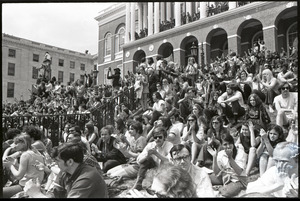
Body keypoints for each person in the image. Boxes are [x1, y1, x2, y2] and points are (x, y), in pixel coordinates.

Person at [24, 141, 108, 198]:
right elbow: (54, 194)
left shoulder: (88, 177)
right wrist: (40, 191)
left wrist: (36, 194)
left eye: (57, 160)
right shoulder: (65, 172)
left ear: (70, 162)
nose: (55, 163)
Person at [3, 134, 45, 198]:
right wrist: (16, 164)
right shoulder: (36, 153)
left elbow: (18, 176)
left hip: (26, 186)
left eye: (16, 143)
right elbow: (29, 170)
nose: (14, 146)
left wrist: (10, 166)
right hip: (36, 184)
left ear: (23, 143)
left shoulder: (25, 155)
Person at [132, 126, 173, 190]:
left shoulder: (169, 145)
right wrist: (147, 155)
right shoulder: (150, 145)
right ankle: (138, 183)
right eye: (155, 137)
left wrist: (156, 153)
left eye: (160, 137)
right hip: (154, 168)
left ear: (164, 137)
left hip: (165, 170)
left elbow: (170, 161)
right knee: (147, 159)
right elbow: (139, 160)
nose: (157, 139)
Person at [207, 133, 248, 197]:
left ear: (233, 143)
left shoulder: (240, 153)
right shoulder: (220, 154)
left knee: (226, 193)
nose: (228, 146)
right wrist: (214, 157)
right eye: (225, 144)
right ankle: (223, 187)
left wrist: (230, 157)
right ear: (221, 145)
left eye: (230, 143)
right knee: (205, 177)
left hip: (238, 180)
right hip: (225, 176)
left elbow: (239, 172)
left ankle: (222, 189)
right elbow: (216, 172)